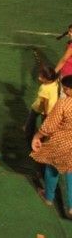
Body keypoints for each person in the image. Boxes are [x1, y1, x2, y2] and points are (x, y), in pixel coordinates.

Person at [32, 75, 72, 214]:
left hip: (60, 142)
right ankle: (71, 205)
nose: (64, 91)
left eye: (66, 89)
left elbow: (50, 125)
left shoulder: (64, 103)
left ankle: (49, 197)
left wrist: (37, 136)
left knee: (52, 169)